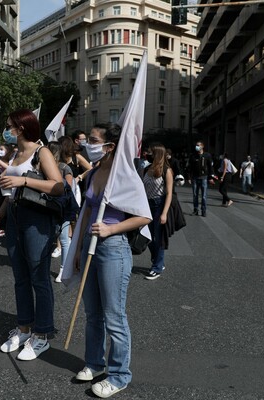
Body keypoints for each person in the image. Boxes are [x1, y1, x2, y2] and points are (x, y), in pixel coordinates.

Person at [71, 122, 151, 398]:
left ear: (109, 146)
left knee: (114, 316)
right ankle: (94, 363)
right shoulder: (94, 173)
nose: (87, 144)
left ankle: (119, 375)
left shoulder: (124, 174)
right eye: (88, 139)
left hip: (113, 248)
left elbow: (144, 215)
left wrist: (111, 228)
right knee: (93, 313)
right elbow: (86, 212)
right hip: (90, 247)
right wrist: (79, 248)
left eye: (93, 140)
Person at [0, 109, 63, 361]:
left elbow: (58, 185)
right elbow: (11, 193)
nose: (6, 129)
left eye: (9, 125)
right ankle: (23, 328)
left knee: (39, 278)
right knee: (20, 278)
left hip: (36, 220)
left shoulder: (41, 152)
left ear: (20, 128)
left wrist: (24, 182)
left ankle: (41, 335)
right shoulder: (14, 154)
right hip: (15, 218)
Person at [142, 143, 174, 280]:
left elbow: (169, 193)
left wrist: (164, 213)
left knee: (158, 237)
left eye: (151, 152)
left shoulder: (166, 170)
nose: (148, 154)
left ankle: (157, 267)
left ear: (158, 154)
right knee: (147, 237)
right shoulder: (146, 169)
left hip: (159, 205)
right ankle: (158, 261)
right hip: (146, 205)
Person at [47, 140, 76, 283]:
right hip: (47, 208)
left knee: (64, 239)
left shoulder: (64, 168)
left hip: (61, 209)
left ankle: (64, 269)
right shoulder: (43, 168)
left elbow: (68, 190)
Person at [187, 141, 215, 217]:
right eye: (196, 145)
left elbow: (210, 167)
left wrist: (211, 177)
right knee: (195, 195)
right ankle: (195, 209)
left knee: (204, 196)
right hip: (195, 178)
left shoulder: (207, 155)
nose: (197, 147)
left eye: (198, 145)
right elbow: (189, 168)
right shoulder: (193, 156)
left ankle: (203, 210)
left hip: (204, 178)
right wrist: (189, 177)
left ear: (202, 146)